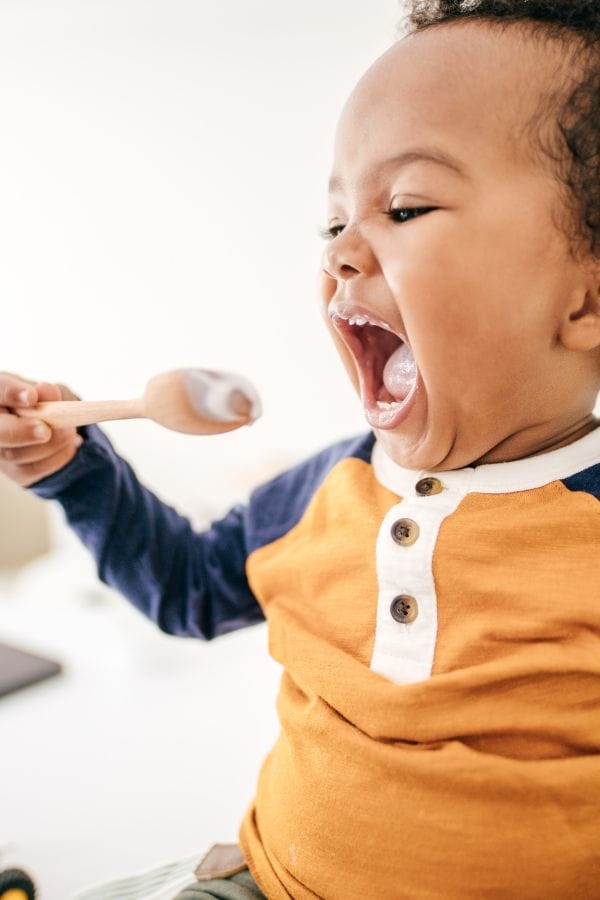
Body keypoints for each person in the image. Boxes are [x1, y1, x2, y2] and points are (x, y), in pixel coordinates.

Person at [2, 0, 600, 896]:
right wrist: (74, 472)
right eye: (332, 225)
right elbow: (189, 588)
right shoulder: (332, 488)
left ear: (584, 302)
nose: (344, 254)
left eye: (405, 206)